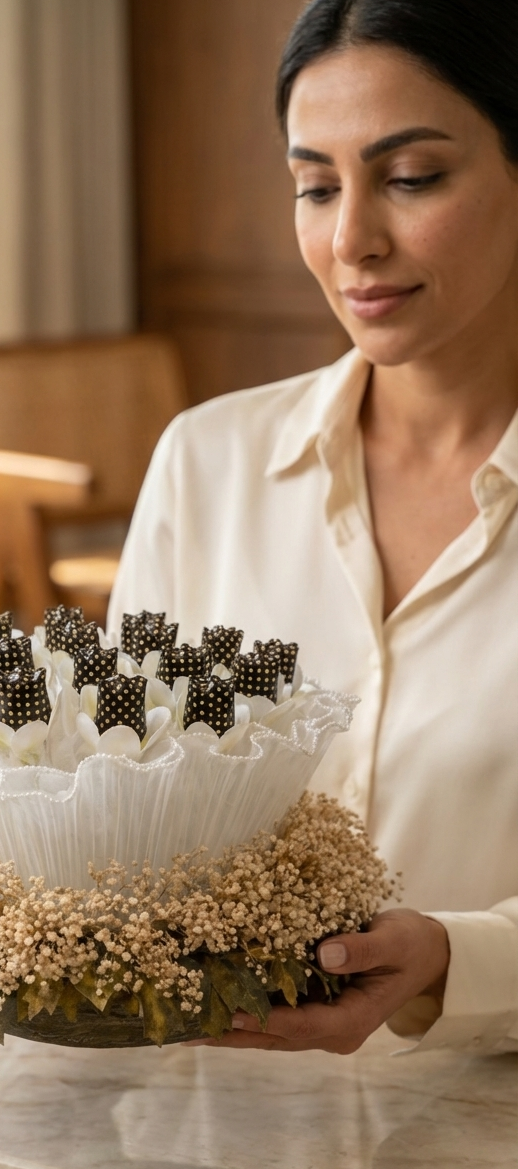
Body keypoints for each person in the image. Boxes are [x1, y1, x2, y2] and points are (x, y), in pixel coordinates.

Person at [108, 0, 518, 1055]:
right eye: (315, 187)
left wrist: (452, 960)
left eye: (413, 177)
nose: (352, 242)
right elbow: (117, 790)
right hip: (202, 1119)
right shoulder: (207, 463)